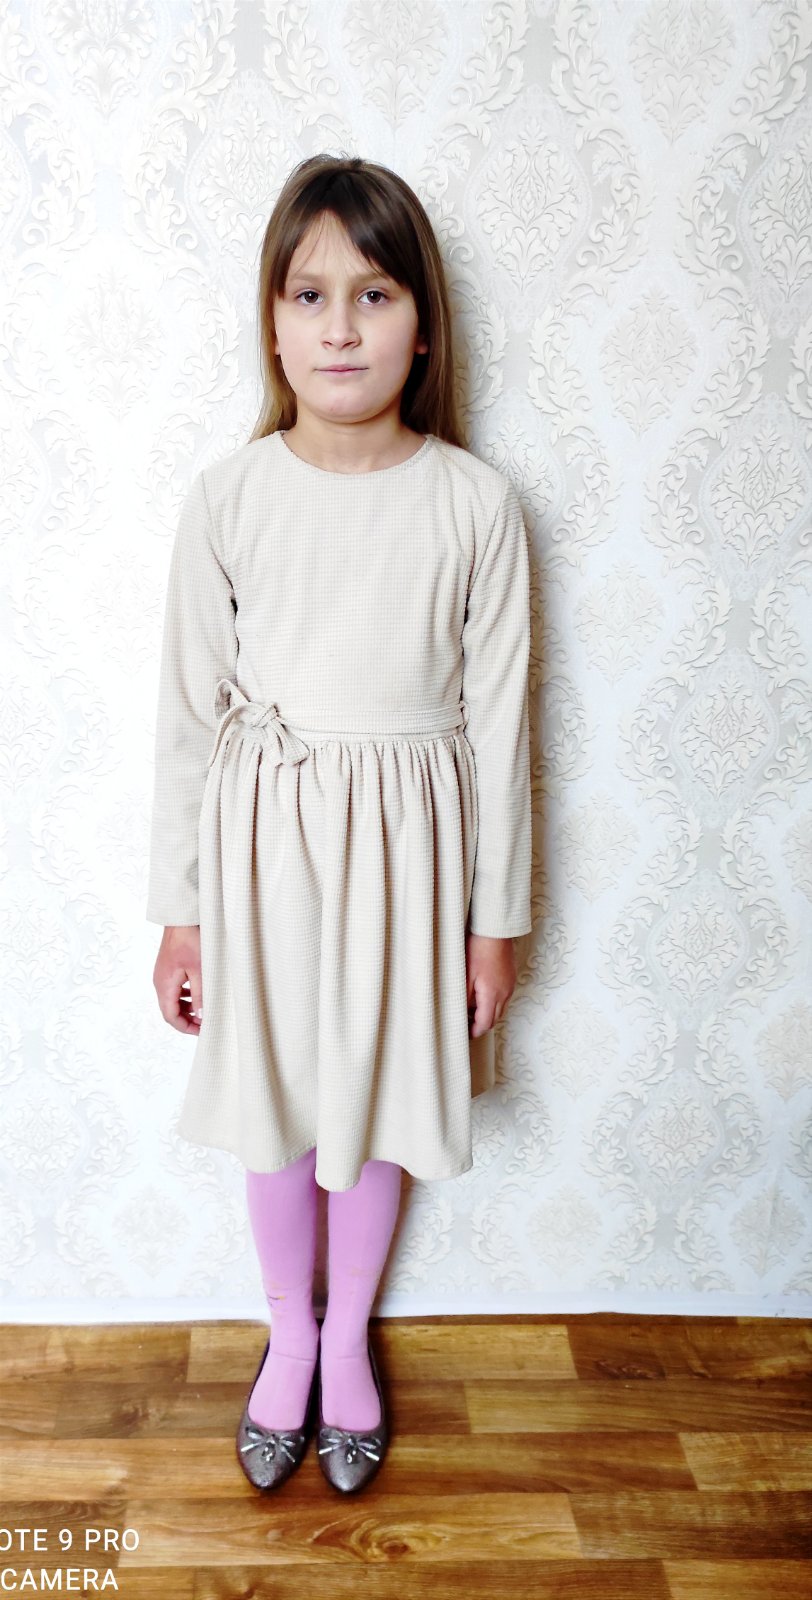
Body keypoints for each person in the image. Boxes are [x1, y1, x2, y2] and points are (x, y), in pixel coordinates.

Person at [146, 154, 532, 1493]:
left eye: (374, 294)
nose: (341, 328)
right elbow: (185, 720)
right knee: (280, 1098)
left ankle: (350, 1334)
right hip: (263, 851)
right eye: (309, 295)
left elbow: (504, 730)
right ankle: (290, 1335)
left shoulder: (476, 505)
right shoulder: (230, 498)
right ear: (271, 323)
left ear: (422, 325)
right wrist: (182, 913)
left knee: (373, 1095)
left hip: (410, 857)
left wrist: (494, 924)